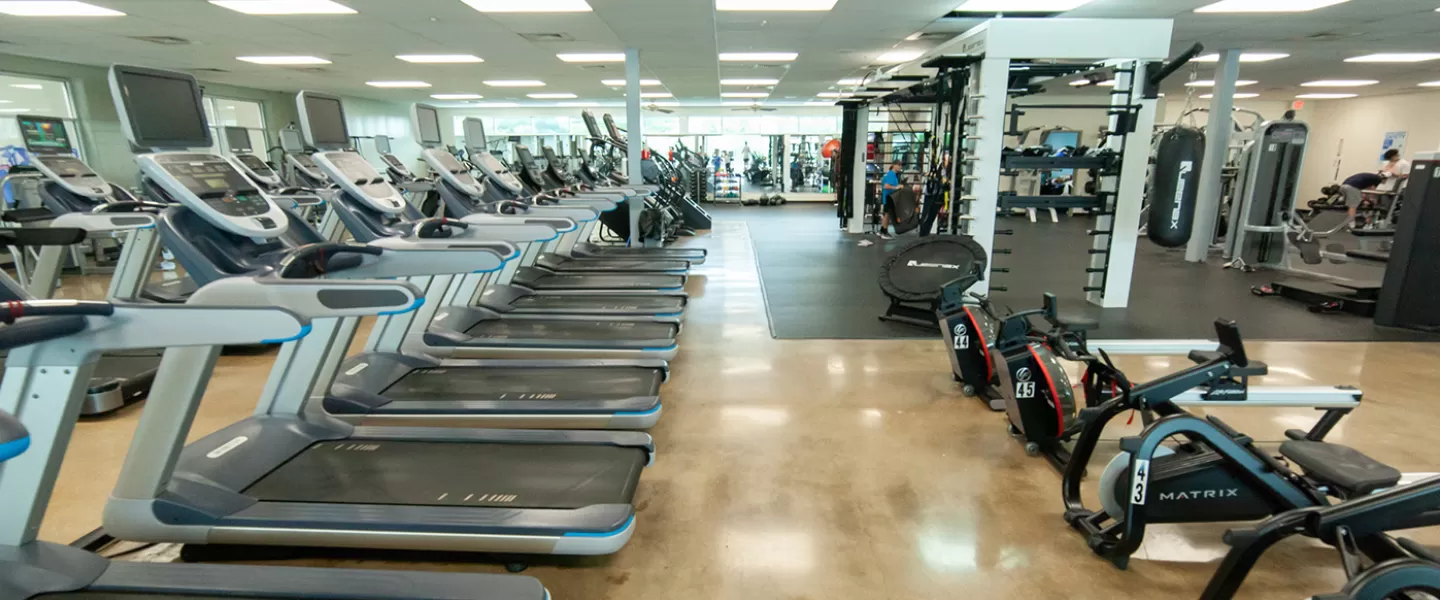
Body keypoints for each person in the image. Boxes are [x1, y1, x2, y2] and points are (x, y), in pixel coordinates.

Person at [879, 161, 903, 239]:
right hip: (889, 197)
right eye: (898, 165)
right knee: (887, 215)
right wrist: (896, 187)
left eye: (900, 165)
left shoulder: (893, 175)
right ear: (893, 165)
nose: (900, 167)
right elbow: (886, 186)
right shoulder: (891, 174)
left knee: (886, 214)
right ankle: (884, 232)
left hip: (889, 197)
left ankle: (882, 230)